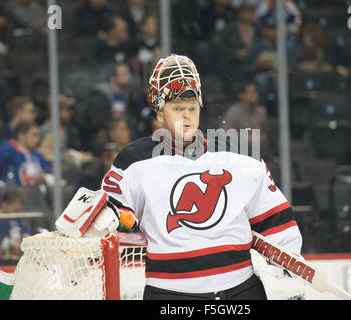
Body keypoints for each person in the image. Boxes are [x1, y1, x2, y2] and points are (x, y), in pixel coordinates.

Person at [100, 54, 303, 300]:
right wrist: (119, 219)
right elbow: (106, 219)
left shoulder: (240, 154)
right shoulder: (133, 161)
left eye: (192, 108)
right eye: (177, 108)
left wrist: (290, 282)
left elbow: (278, 225)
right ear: (160, 114)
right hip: (170, 295)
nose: (186, 116)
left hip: (241, 291)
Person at [0, 121, 53, 187]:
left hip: (34, 196)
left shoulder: (38, 155)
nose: (38, 139)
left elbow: (51, 176)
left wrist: (45, 178)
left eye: (38, 135)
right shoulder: (3, 150)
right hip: (10, 195)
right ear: (21, 136)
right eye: (34, 135)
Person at [0, 188, 31, 263]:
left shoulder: (16, 218)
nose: (18, 213)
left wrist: (26, 240)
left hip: (17, 260)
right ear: (5, 204)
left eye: (20, 211)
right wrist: (15, 245)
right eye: (15, 210)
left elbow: (26, 232)